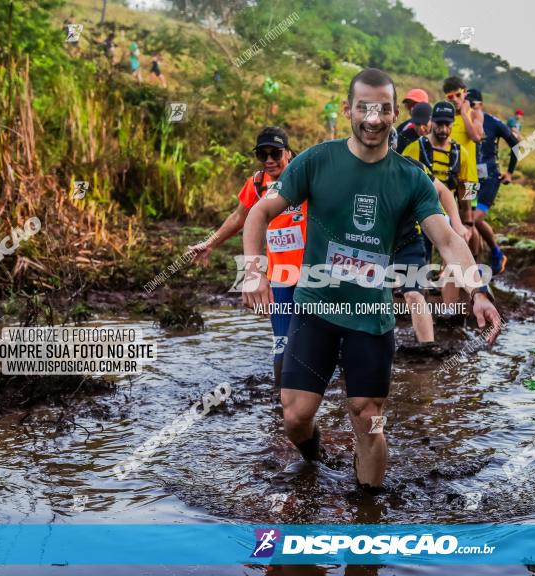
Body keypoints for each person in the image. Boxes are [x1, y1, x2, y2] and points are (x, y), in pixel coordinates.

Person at [241, 68, 500, 493]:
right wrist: (254, 274)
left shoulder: (410, 178)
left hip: (370, 316)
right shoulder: (315, 161)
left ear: (395, 113)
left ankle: (368, 516)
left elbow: (448, 239)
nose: (374, 119)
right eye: (364, 108)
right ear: (348, 110)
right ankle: (316, 460)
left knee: (367, 415)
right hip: (316, 309)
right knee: (295, 415)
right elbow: (258, 213)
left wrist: (479, 291)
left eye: (383, 110)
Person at [189, 127, 305, 389]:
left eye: (274, 153)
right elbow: (238, 218)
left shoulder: (305, 176)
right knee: (283, 350)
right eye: (262, 155)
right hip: (280, 278)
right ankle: (283, 414)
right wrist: (209, 244)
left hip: (314, 277)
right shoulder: (257, 183)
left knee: (325, 348)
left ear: (288, 152)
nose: (269, 161)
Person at [401, 101, 479, 311]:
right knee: (421, 261)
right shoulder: (415, 148)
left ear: (453, 124)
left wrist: (468, 221)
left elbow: (468, 189)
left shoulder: (461, 153)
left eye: (448, 125)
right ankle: (418, 304)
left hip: (449, 213)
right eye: (439, 124)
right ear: (432, 122)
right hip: (418, 215)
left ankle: (451, 309)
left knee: (457, 253)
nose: (443, 130)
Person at [467, 88, 519, 274]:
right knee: (470, 222)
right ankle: (478, 263)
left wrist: (510, 173)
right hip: (469, 180)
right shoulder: (462, 122)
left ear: (480, 104)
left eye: (472, 104)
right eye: (467, 104)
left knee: (475, 219)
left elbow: (516, 146)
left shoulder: (493, 123)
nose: (469, 108)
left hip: (490, 178)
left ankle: (495, 253)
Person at [443, 76, 484, 251]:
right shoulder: (448, 116)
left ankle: (476, 267)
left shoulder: (475, 113)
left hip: (470, 178)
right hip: (450, 176)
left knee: (469, 222)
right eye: (450, 97)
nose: (455, 100)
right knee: (452, 221)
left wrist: (465, 113)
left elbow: (476, 137)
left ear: (465, 93)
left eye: (458, 95)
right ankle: (453, 266)